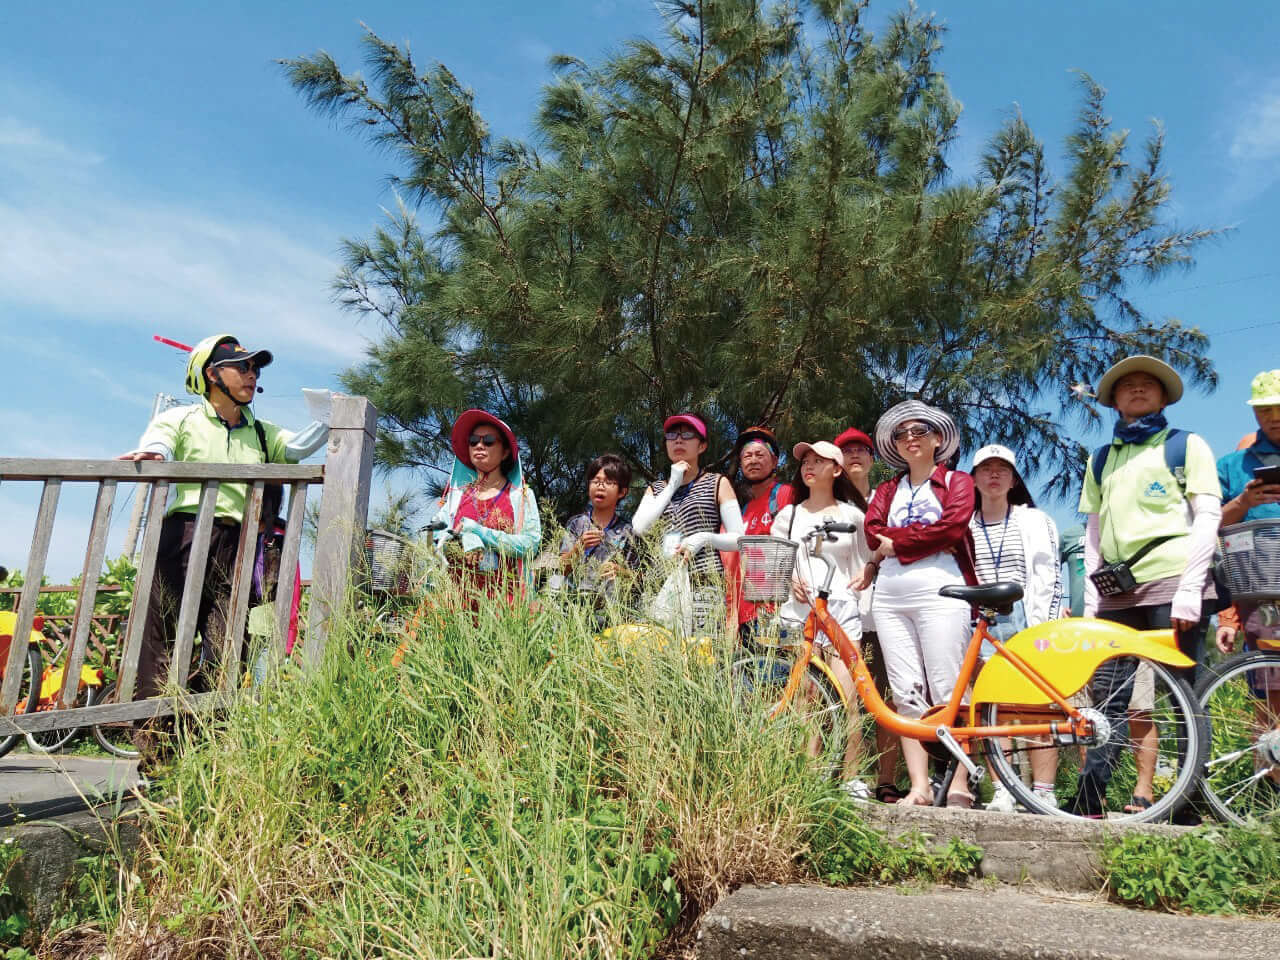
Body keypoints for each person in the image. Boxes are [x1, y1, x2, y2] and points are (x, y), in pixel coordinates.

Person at [119, 334, 331, 701]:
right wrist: (154, 453)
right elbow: (161, 440)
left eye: (256, 368)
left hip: (238, 544)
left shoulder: (262, 434)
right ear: (212, 374)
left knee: (228, 642)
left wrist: (332, 417)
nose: (253, 374)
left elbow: (297, 447)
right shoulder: (182, 418)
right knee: (162, 636)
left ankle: (208, 737)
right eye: (243, 366)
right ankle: (157, 741)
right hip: (183, 534)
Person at [1069, 354, 1221, 817]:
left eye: (1147, 384)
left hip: (1172, 582)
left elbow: (1208, 513)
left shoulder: (1185, 445)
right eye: (1126, 385)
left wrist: (1192, 588)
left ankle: (1190, 802)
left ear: (1162, 395)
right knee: (1107, 695)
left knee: (1182, 695)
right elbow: (1093, 532)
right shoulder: (1102, 458)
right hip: (1117, 593)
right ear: (1113, 399)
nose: (1137, 389)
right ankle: (1089, 798)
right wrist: (1093, 600)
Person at [864, 401, 978, 808]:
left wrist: (901, 542)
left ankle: (961, 783)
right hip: (891, 592)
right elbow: (873, 529)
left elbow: (954, 524)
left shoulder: (959, 481)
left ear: (937, 439)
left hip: (941, 586)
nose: (911, 438)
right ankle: (920, 786)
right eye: (902, 433)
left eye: (920, 430)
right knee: (905, 689)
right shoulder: (887, 490)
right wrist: (917, 536)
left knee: (948, 686)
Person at [770, 440, 876, 800]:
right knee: (806, 696)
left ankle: (851, 778)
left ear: (837, 469)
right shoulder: (789, 516)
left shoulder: (852, 515)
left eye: (819, 460)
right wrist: (790, 580)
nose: (809, 466)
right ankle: (809, 776)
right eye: (805, 461)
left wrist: (867, 577)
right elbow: (775, 561)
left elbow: (870, 558)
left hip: (842, 610)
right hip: (799, 614)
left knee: (849, 693)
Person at [967, 444, 1064, 813]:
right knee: (993, 706)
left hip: (1026, 616)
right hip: (981, 620)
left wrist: (1046, 628)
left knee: (1038, 706)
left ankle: (1043, 790)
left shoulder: (1035, 520)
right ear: (974, 478)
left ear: (1012, 478)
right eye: (986, 469)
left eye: (1002, 470)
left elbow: (1050, 575)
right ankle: (1005, 788)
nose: (994, 475)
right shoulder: (965, 523)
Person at [834, 425, 904, 803]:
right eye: (847, 451)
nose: (855, 456)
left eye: (862, 450)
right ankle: (849, 776)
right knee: (846, 700)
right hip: (844, 616)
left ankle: (887, 780)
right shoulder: (829, 503)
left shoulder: (889, 499)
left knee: (888, 700)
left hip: (884, 613)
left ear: (873, 459)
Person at [633, 414, 744, 631]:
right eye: (672, 435)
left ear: (702, 446)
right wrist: (673, 484)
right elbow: (639, 527)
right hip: (658, 586)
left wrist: (704, 538)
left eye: (687, 434)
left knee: (700, 655)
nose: (678, 440)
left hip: (702, 585)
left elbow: (739, 538)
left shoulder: (717, 483)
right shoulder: (656, 489)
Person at [1214, 370, 1280, 723]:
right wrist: (1243, 502)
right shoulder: (1231, 465)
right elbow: (1213, 529)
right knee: (1270, 696)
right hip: (1262, 598)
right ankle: (1271, 775)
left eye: (1279, 407)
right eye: (1265, 409)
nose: (1274, 416)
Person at [431, 409, 542, 601]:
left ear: (505, 451)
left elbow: (531, 544)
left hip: (504, 602)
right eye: (473, 441)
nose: (479, 445)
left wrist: (481, 534)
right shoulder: (456, 496)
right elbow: (436, 536)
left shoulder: (521, 496)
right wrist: (461, 539)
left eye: (489, 441)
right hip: (454, 601)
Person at [731, 426, 795, 636]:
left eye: (760, 454)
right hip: (744, 614)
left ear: (775, 461)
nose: (753, 460)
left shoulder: (784, 495)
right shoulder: (741, 510)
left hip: (777, 610)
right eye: (747, 456)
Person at [559, 453, 637, 597]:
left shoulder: (628, 531)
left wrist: (620, 571)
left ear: (622, 492)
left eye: (608, 482)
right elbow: (560, 569)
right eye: (595, 481)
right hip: (571, 602)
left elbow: (638, 578)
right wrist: (578, 548)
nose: (600, 486)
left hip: (607, 606)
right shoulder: (576, 523)